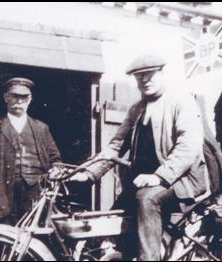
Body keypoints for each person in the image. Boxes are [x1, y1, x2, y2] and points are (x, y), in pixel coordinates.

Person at [73, 54, 210, 261]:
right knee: (111, 217)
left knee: (146, 199)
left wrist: (160, 176)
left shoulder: (181, 102)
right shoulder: (137, 109)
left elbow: (188, 146)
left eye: (149, 74)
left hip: (182, 180)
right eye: (139, 77)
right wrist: (88, 173)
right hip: (145, 183)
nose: (144, 80)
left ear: (162, 73)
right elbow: (116, 145)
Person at [0, 77, 62, 224]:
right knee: (5, 240)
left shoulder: (41, 128)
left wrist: (56, 170)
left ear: (30, 99)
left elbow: (56, 160)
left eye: (24, 97)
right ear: (6, 98)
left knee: (34, 240)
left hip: (35, 197)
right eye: (15, 96)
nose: (19, 101)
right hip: (3, 195)